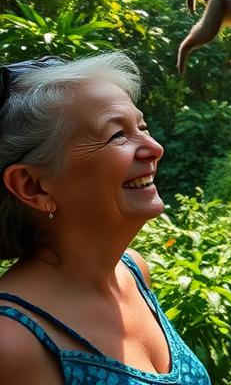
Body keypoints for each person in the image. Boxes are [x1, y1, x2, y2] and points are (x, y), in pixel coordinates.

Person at [0, 52, 210, 384]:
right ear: (33, 186)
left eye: (142, 126)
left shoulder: (133, 270)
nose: (154, 148)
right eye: (117, 135)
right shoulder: (11, 344)